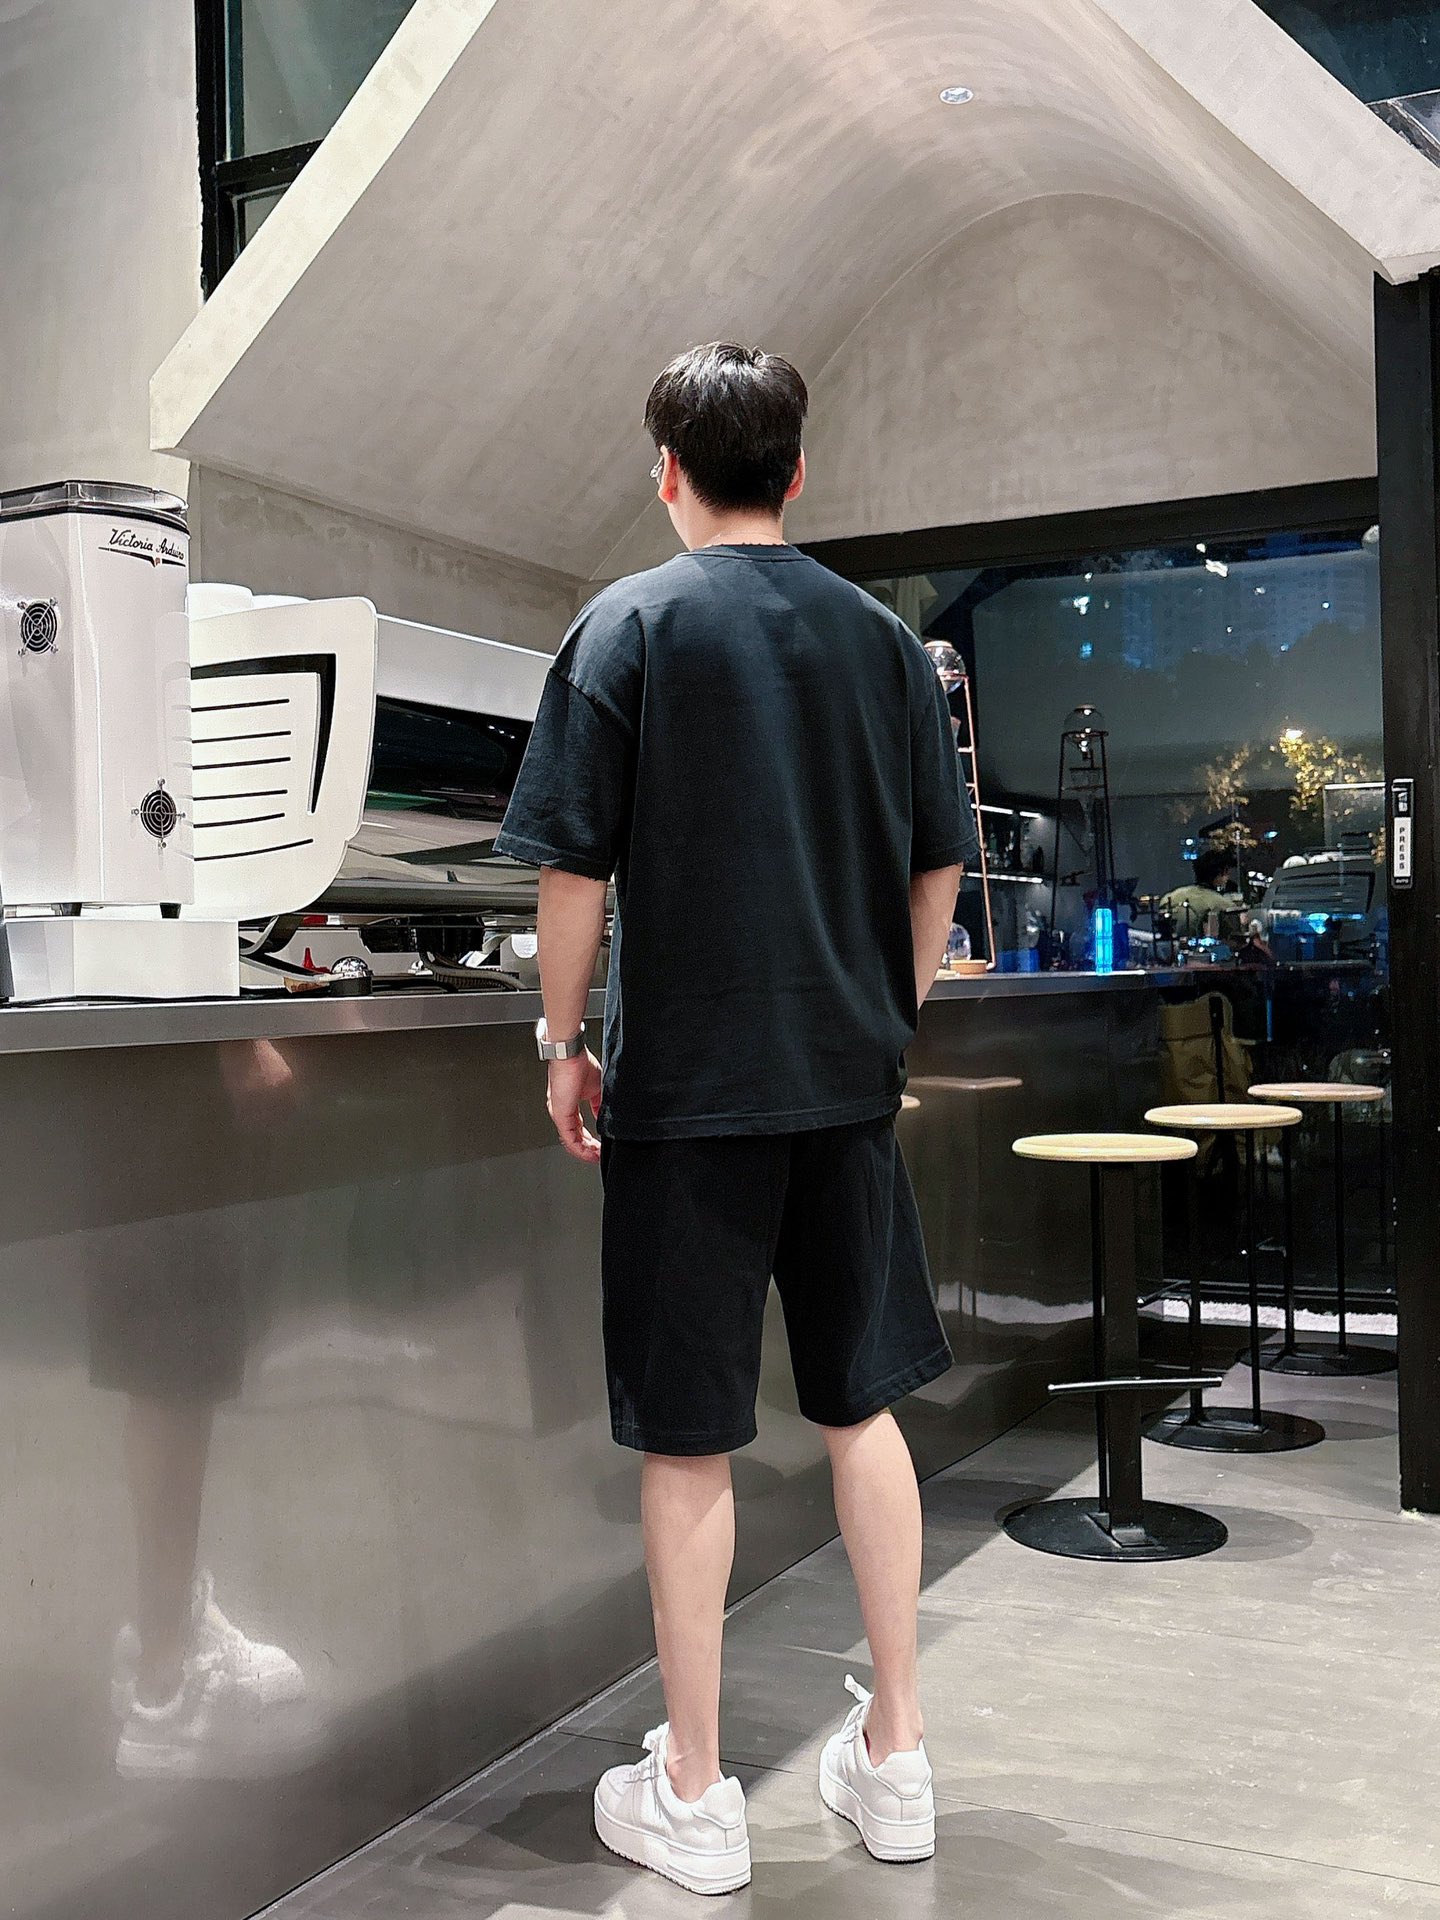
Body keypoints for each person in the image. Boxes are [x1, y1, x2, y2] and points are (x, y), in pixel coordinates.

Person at [494, 342, 978, 1895]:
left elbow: (573, 868)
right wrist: (888, 1011)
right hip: (843, 1084)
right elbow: (939, 867)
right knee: (861, 1409)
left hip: (689, 1094)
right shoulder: (886, 645)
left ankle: (698, 1793)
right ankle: (896, 1754)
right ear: (798, 469)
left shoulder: (626, 626)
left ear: (666, 471)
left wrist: (565, 1040)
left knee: (689, 1439)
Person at [1159, 843, 1245, 940]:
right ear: (1222, 873)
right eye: (1227, 873)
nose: (1228, 878)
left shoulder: (1170, 897)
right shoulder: (1222, 904)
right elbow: (1233, 938)